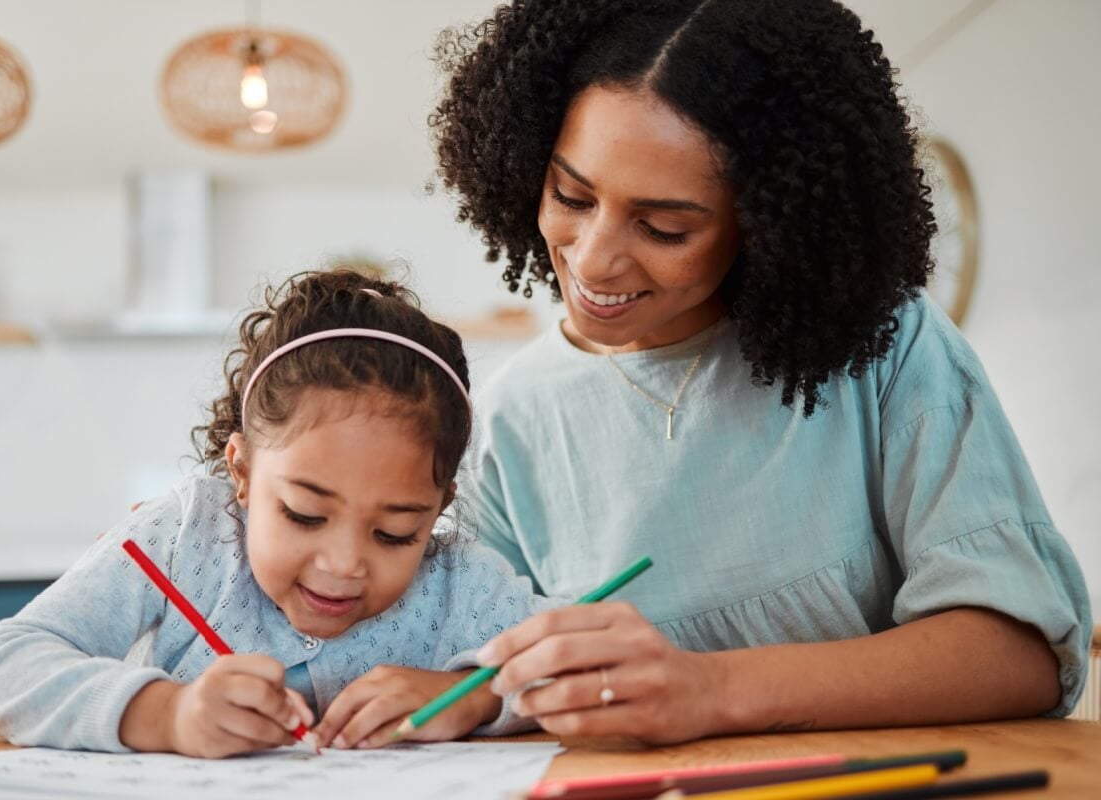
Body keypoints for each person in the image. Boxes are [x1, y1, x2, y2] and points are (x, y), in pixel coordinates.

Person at [428, 0, 1092, 744]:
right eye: (571, 196)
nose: (591, 259)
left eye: (665, 227)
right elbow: (497, 670)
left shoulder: (882, 348)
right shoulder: (511, 416)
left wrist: (712, 691)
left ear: (768, 220)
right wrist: (462, 693)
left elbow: (1022, 654)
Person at [0, 269, 561, 757]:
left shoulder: (460, 580)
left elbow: (570, 671)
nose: (345, 564)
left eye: (395, 532)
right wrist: (168, 715)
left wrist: (471, 695)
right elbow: (1, 670)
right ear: (242, 472)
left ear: (437, 511)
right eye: (303, 514)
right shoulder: (181, 535)